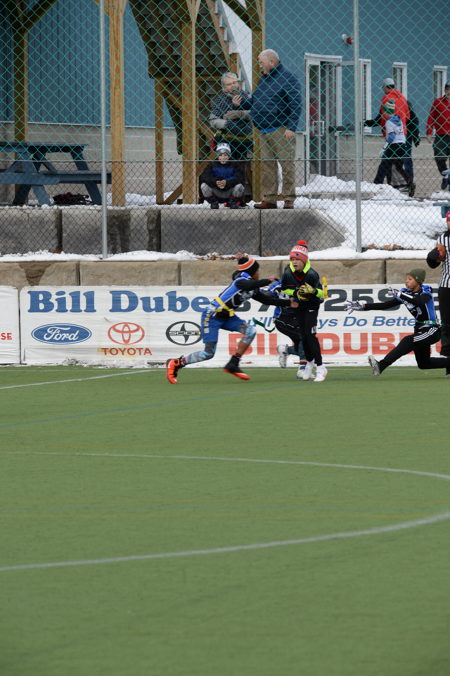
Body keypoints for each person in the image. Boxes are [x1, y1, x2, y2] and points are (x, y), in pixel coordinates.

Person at [166, 256, 290, 383]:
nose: (259, 273)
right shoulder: (240, 281)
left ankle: (233, 364)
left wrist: (289, 303)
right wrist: (267, 281)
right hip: (212, 315)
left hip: (227, 316)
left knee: (250, 331)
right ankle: (177, 363)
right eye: (257, 270)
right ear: (252, 272)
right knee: (208, 353)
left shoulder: (253, 288)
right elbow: (248, 284)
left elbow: (268, 300)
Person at [345, 268, 450, 377]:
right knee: (424, 364)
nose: (406, 281)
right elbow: (385, 305)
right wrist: (363, 306)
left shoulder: (426, 290)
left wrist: (400, 295)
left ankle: (381, 366)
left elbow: (419, 301)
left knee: (407, 340)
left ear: (418, 281)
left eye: (410, 279)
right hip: (420, 329)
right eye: (406, 279)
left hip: (432, 329)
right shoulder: (405, 293)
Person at [232, 49, 302, 210]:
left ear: (272, 62)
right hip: (263, 129)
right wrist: (240, 104)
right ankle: (270, 199)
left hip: (281, 129)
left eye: (261, 62)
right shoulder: (264, 79)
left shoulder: (288, 78)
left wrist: (291, 127)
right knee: (267, 166)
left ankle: (289, 198)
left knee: (286, 164)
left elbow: (296, 104)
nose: (259, 65)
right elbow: (254, 102)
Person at [279, 241, 327, 382]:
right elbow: (284, 289)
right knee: (303, 337)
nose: (294, 262)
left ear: (304, 260)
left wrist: (313, 291)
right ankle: (309, 364)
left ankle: (321, 367)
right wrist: (296, 292)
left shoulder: (312, 274)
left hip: (312, 305)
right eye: (292, 259)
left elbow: (322, 294)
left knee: (311, 335)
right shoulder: (288, 273)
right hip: (299, 306)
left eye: (297, 259)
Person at [208, 72, 253, 162]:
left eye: (234, 82)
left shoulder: (246, 96)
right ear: (224, 87)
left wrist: (240, 113)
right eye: (229, 84)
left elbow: (255, 113)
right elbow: (212, 120)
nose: (233, 86)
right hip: (227, 137)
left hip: (247, 136)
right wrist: (227, 124)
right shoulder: (220, 99)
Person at [426, 210, 450, 374]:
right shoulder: (442, 239)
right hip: (447, 286)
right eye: (448, 221)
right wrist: (431, 257)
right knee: (447, 325)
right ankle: (449, 363)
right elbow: (433, 264)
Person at [373, 99, 410, 190]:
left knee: (385, 163)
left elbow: (392, 136)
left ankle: (380, 183)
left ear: (386, 112)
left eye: (384, 111)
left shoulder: (389, 122)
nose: (383, 113)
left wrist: (384, 147)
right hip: (402, 144)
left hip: (394, 145)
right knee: (398, 166)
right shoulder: (399, 120)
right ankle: (408, 182)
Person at [199, 142, 245, 208]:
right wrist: (215, 181)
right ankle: (213, 202)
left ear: (229, 155)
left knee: (239, 186)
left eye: (225, 155)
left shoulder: (235, 164)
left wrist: (227, 182)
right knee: (204, 186)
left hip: (230, 191)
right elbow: (204, 177)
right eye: (220, 155)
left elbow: (240, 177)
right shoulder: (212, 164)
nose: (223, 157)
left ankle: (233, 202)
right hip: (217, 191)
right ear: (217, 156)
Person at [426, 81, 450, 189]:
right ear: (444, 90)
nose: (449, 92)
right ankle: (446, 175)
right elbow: (431, 117)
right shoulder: (438, 102)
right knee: (439, 157)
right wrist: (429, 132)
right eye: (447, 89)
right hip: (441, 135)